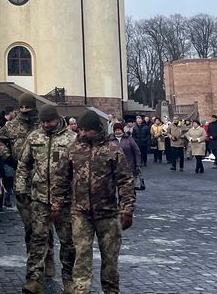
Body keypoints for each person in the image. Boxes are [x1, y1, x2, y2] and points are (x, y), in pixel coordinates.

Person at [51, 110, 135, 294]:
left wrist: (127, 209)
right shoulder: (73, 150)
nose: (82, 133)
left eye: (86, 130)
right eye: (80, 130)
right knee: (81, 256)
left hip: (108, 213)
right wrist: (56, 205)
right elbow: (61, 179)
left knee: (110, 258)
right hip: (80, 213)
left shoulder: (112, 149)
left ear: (96, 129)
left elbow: (125, 180)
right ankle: (81, 290)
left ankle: (111, 290)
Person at [16, 105, 76, 294]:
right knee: (37, 239)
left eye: (48, 122)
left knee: (68, 242)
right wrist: (21, 188)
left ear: (57, 119)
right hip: (39, 197)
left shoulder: (71, 139)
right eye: (42, 122)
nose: (45, 125)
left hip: (65, 200)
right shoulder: (34, 137)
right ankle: (34, 279)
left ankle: (69, 279)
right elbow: (23, 164)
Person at [0, 94, 40, 259]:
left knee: (43, 225)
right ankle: (32, 257)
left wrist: (53, 164)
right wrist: (7, 157)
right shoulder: (12, 125)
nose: (25, 110)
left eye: (28, 107)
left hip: (42, 180)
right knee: (29, 224)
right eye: (22, 107)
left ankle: (45, 258)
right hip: (21, 180)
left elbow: (55, 147)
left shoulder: (42, 125)